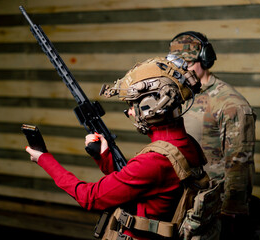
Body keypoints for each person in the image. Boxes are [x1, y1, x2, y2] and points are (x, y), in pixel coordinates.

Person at [26, 56, 207, 239]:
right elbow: (137, 184)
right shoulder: (184, 144)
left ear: (152, 107)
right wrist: (105, 156)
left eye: (132, 104)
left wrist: (43, 158)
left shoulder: (154, 160)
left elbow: (90, 197)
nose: (129, 111)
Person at [169, 31, 257, 239]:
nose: (182, 69)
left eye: (188, 63)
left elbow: (239, 164)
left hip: (212, 211)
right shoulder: (178, 97)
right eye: (177, 63)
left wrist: (232, 214)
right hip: (181, 203)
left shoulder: (230, 103)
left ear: (205, 60)